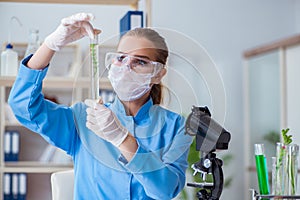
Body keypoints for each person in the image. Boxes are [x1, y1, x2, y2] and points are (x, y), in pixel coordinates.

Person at [8, 13, 193, 199]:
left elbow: (165, 190)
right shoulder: (84, 118)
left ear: (158, 74)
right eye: (121, 58)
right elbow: (23, 105)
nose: (126, 67)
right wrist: (50, 45)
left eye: (140, 61)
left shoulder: (176, 127)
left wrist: (123, 139)